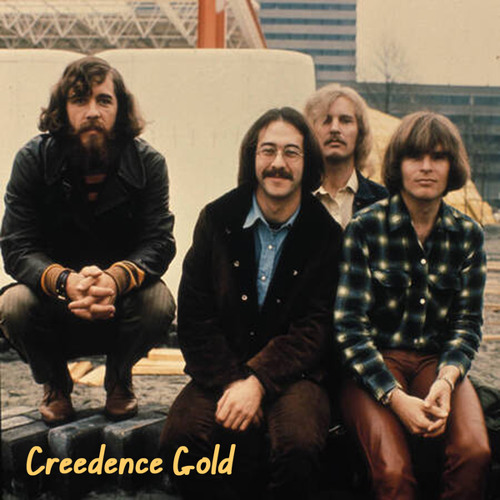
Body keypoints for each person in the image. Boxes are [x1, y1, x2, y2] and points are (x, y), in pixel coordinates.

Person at [160, 107, 342, 500]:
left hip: (295, 376)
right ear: (252, 157)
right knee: (180, 442)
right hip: (221, 370)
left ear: (307, 162)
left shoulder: (325, 234)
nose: (278, 163)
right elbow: (194, 314)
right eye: (268, 150)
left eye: (291, 152)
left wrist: (258, 382)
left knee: (297, 447)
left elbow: (317, 328)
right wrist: (234, 383)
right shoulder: (217, 219)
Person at [0, 56, 176, 425]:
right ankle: (55, 384)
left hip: (119, 305)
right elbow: (16, 245)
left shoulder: (148, 164)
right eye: (80, 100)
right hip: (54, 304)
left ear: (120, 108)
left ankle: (119, 379)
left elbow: (159, 242)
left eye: (104, 100)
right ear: (63, 109)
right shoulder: (33, 160)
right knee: (12, 304)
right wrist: (66, 282)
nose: (92, 111)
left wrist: (113, 280)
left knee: (159, 301)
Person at [334, 111, 491, 499]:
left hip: (435, 362)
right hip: (373, 365)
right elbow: (349, 327)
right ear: (398, 164)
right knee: (393, 471)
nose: (426, 167)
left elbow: (467, 322)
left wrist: (447, 379)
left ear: (452, 167)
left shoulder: (467, 234)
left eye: (438, 157)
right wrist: (395, 397)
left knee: (474, 452)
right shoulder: (365, 228)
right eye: (415, 156)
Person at [304, 84, 387, 228]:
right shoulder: (294, 199)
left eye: (345, 120)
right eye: (326, 120)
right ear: (310, 131)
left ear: (360, 132)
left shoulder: (384, 201)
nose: (335, 129)